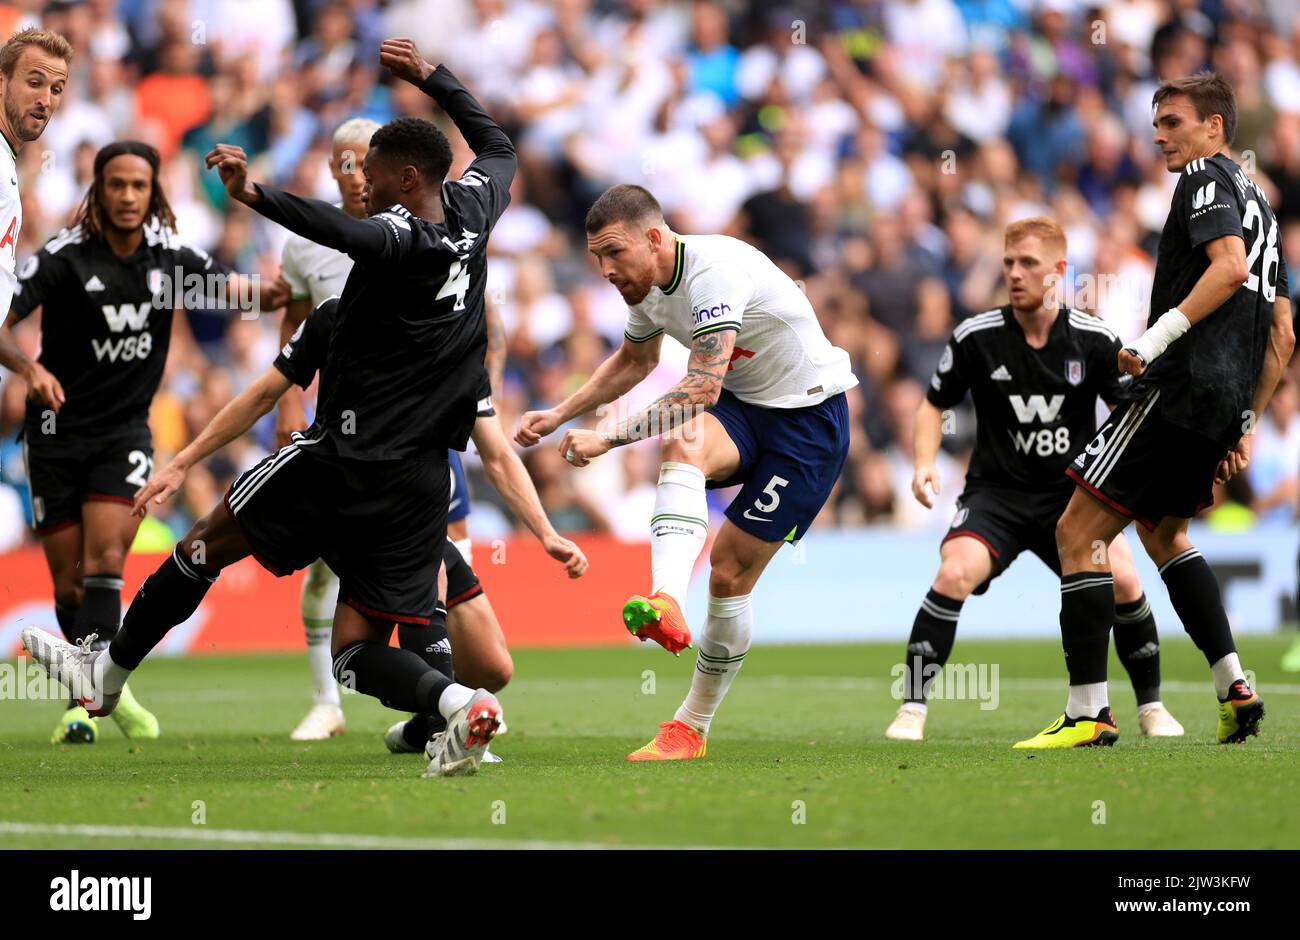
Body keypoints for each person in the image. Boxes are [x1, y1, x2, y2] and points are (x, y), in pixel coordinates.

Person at [23, 39, 516, 779]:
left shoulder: (396, 242)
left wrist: (253, 196)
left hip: (338, 460)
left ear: (407, 178)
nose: (363, 185)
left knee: (202, 547)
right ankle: (455, 708)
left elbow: (341, 230)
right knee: (354, 652)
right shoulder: (475, 209)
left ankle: (105, 678)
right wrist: (435, 78)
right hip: (418, 482)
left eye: (372, 174)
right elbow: (497, 142)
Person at [130, 295, 588, 760]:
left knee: (493, 666)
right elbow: (284, 336)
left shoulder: (453, 308)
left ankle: (435, 720)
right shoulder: (343, 292)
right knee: (401, 612)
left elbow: (495, 445)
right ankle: (432, 720)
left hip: (427, 481)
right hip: (359, 484)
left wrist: (545, 532)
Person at [516, 183, 858, 761]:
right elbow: (636, 360)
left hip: (808, 421)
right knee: (682, 446)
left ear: (654, 239)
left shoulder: (714, 272)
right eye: (596, 257)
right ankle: (667, 601)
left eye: (613, 253)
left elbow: (701, 386)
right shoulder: (644, 285)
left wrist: (607, 436)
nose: (604, 269)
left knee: (727, 575)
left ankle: (691, 725)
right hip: (748, 409)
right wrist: (560, 413)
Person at [1017, 73, 1294, 749]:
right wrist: (1246, 423)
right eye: (1157, 123)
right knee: (1164, 534)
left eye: (1172, 121)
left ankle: (1088, 713)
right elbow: (1282, 331)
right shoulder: (1262, 204)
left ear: (1214, 128)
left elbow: (1227, 268)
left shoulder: (1203, 179)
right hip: (1222, 401)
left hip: (1175, 388)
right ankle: (1234, 686)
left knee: (1077, 532)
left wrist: (1155, 337)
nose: (1159, 134)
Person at [1, 138, 287, 744]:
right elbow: (1, 321)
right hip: (53, 432)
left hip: (126, 431)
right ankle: (110, 691)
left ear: (152, 192)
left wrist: (283, 291)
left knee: (107, 557)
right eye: (116, 185)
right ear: (98, 192)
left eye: (138, 186)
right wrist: (30, 370)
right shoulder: (62, 256)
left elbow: (235, 293)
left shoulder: (171, 259)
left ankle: (85, 706)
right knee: (68, 582)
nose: (128, 196)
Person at [886, 216, 1183, 742]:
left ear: (1060, 271)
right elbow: (933, 405)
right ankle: (911, 708)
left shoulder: (1092, 340)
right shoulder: (976, 336)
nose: (1015, 273)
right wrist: (924, 462)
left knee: (1127, 581)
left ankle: (1151, 708)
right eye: (1008, 263)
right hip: (995, 497)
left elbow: (1129, 415)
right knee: (954, 573)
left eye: (1028, 263)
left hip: (1069, 498)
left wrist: (1128, 486)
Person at [275, 116, 508, 741]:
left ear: (400, 172)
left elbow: (487, 318)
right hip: (348, 436)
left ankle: (438, 713)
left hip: (422, 433)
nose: (359, 174)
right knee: (331, 574)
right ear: (332, 170)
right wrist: (286, 407)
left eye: (367, 162)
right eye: (347, 163)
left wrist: (483, 383)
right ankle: (343, 703)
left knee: (454, 609)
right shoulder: (314, 246)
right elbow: (294, 326)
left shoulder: (412, 230)